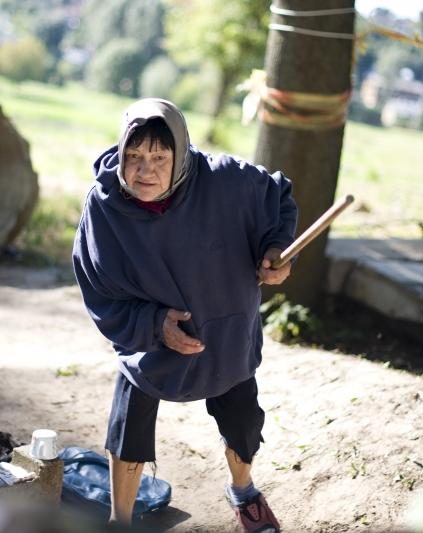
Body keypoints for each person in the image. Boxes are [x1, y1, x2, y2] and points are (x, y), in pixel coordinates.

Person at [72, 98, 297, 532]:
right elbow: (97, 284)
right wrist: (154, 325)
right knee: (129, 423)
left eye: (159, 156)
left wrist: (275, 251)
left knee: (243, 419)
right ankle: (120, 520)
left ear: (179, 155)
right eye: (134, 156)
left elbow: (277, 198)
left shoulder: (226, 181)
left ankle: (244, 491)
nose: (145, 170)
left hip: (223, 325)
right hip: (150, 339)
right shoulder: (105, 207)